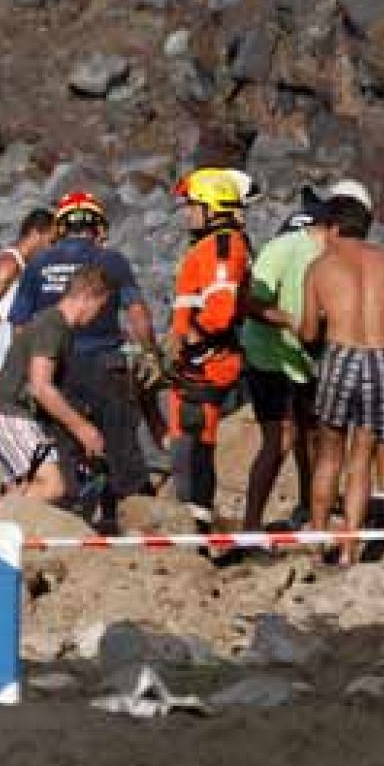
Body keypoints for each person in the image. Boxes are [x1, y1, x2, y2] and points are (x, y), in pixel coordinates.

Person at [9, 191, 161, 519]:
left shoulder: (37, 264)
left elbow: (20, 327)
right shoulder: (111, 261)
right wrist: (151, 354)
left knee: (64, 450)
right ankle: (133, 519)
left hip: (56, 371)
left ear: (62, 227)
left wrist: (26, 373)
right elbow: (137, 314)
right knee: (122, 450)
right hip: (106, 366)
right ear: (97, 227)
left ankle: (71, 516)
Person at [299, 194, 384, 564]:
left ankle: (318, 537)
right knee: (363, 456)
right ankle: (349, 549)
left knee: (329, 455)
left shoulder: (320, 267)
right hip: (381, 357)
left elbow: (309, 333)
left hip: (341, 353)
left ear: (334, 227)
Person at [238, 192, 338, 530]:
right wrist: (291, 321)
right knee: (279, 438)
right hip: (268, 356)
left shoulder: (335, 255)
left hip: (305, 357)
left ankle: (310, 508)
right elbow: (250, 302)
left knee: (312, 435)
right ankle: (251, 524)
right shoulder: (284, 248)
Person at [0, 265, 114, 503]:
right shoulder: (53, 326)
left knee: (25, 489)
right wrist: (81, 428)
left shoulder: (57, 326)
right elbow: (41, 387)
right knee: (52, 486)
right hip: (9, 414)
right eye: (100, 307)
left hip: (7, 414)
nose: (99, 316)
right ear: (86, 297)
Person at [165, 170, 252, 533]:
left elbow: (220, 309)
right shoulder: (215, 245)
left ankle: (196, 525)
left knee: (197, 444)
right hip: (199, 360)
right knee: (191, 442)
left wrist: (187, 340)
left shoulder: (222, 247)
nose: (188, 214)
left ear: (212, 208)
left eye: (194, 207)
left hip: (207, 362)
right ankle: (193, 519)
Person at [0, 209, 56, 372]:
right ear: (35, 234)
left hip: (14, 359)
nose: (52, 249)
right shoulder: (8, 263)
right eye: (51, 241)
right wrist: (11, 334)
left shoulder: (27, 266)